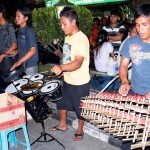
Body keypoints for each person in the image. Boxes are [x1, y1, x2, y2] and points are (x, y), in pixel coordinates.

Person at [50, 7, 90, 141]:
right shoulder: (68, 37)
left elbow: (78, 62)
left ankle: (80, 129)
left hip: (79, 82)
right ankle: (62, 125)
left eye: (64, 24)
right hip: (68, 79)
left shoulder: (81, 39)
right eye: (61, 24)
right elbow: (68, 57)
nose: (62, 27)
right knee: (61, 102)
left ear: (74, 22)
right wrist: (62, 68)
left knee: (81, 109)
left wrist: (61, 67)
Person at [119, 4, 150, 97]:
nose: (140, 29)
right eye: (137, 25)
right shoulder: (130, 42)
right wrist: (125, 82)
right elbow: (123, 66)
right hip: (134, 92)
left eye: (144, 24)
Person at [10, 6, 39, 75]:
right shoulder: (20, 30)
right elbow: (25, 45)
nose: (16, 18)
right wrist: (16, 51)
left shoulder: (29, 31)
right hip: (23, 63)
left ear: (26, 18)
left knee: (32, 85)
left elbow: (33, 50)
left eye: (18, 16)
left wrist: (19, 62)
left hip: (30, 65)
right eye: (16, 16)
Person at [0, 4, 17, 91]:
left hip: (8, 61)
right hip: (1, 61)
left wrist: (3, 55)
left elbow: (14, 45)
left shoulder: (9, 26)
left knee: (11, 86)